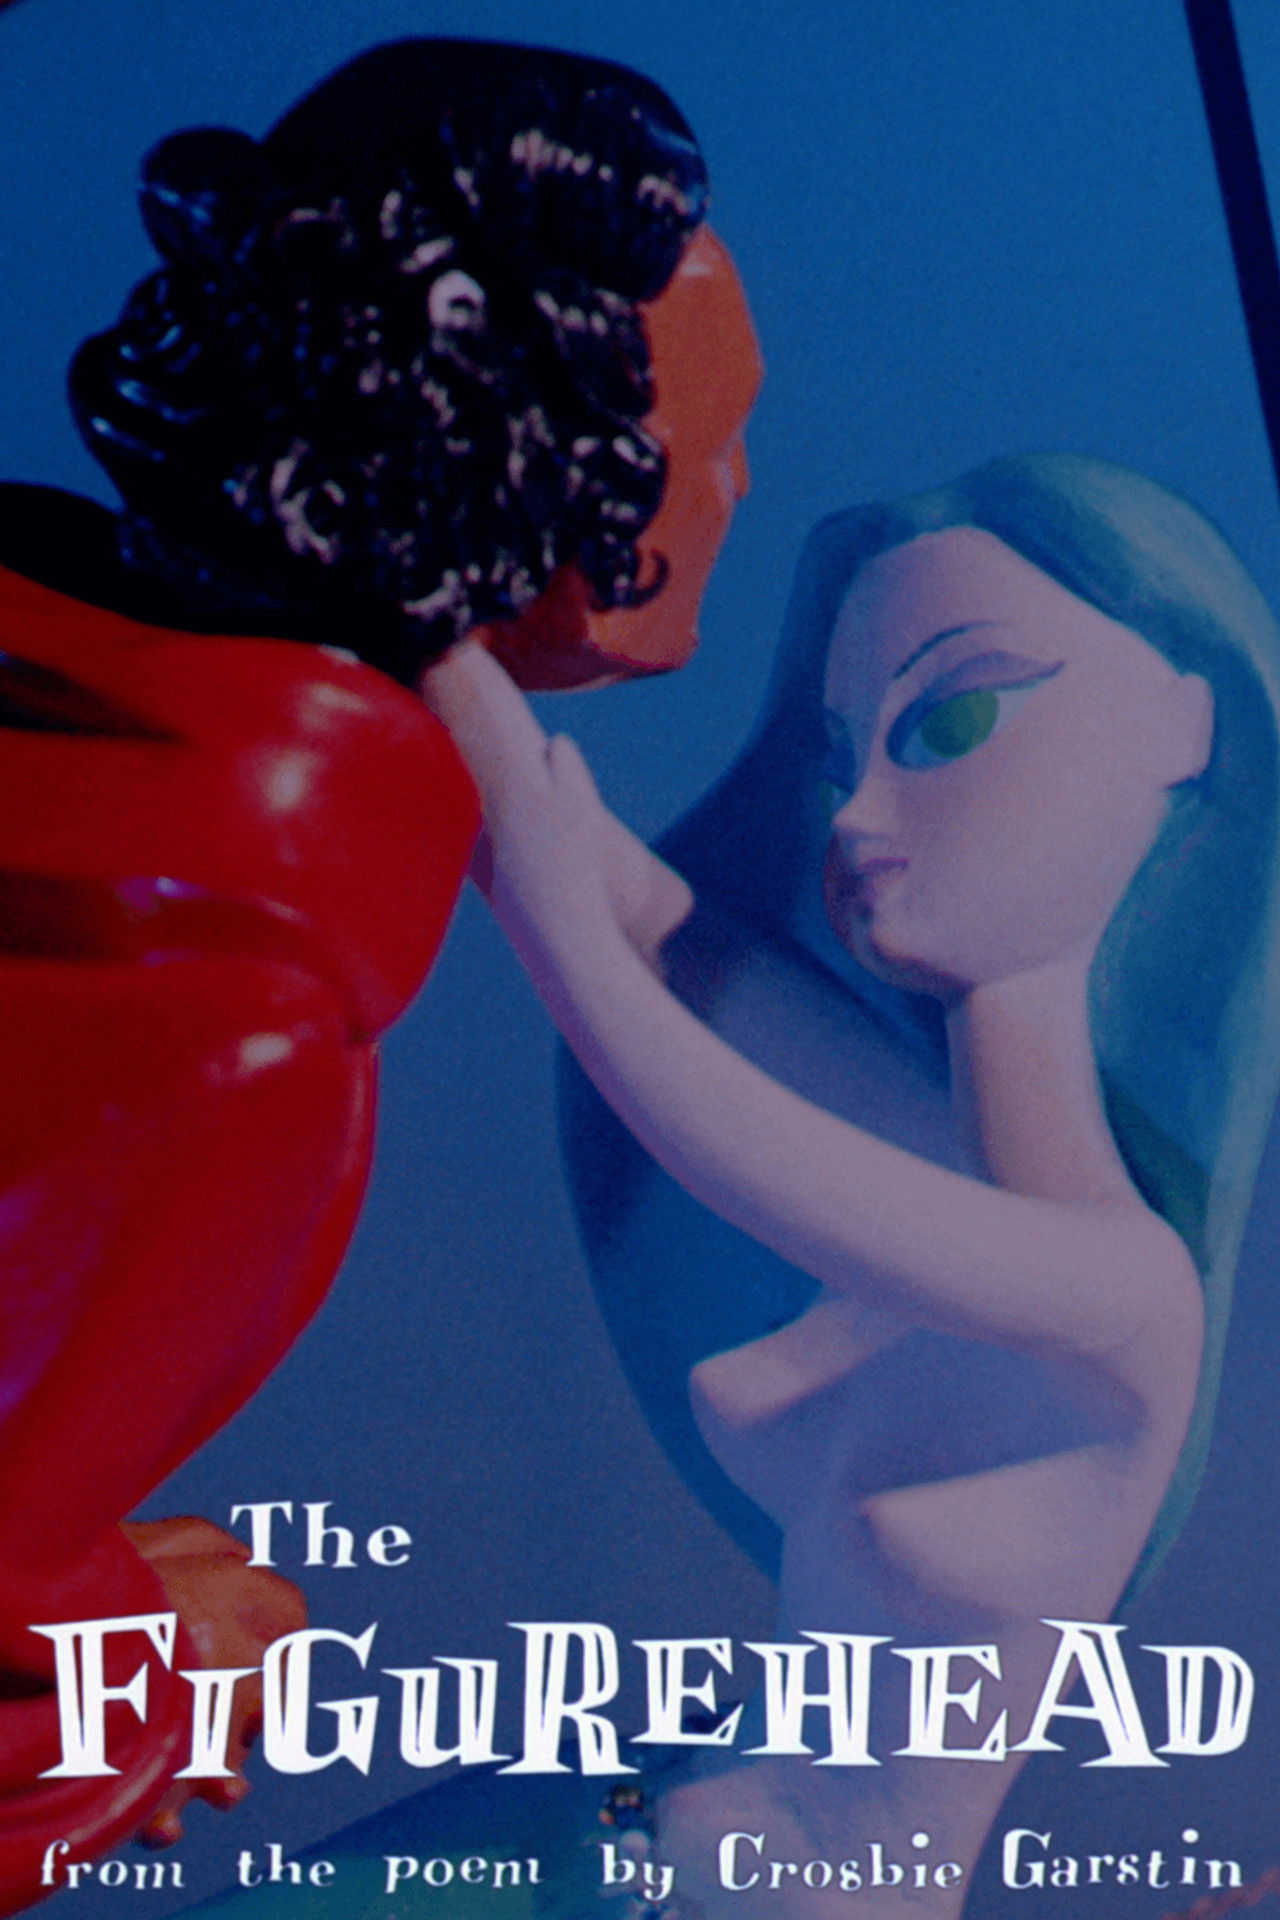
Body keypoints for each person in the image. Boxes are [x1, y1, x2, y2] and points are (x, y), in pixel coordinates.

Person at [0, 37, 758, 1912]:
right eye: (713, 437)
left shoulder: (79, 696)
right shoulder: (236, 1025)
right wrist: (149, 1662)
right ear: (552, 462)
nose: (735, 490)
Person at [423, 452, 1280, 1913]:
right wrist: (406, 602)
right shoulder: (922, 1143)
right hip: (623, 1826)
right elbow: (638, 918)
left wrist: (559, 933)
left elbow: (683, 1085)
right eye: (842, 753)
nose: (857, 816)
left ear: (1180, 726)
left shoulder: (1126, 1294)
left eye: (951, 719)